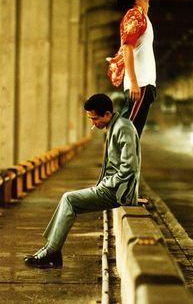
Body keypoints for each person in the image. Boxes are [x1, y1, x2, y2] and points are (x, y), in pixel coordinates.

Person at [24, 93, 141, 268]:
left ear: (107, 114)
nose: (93, 123)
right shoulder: (116, 126)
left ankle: (51, 251)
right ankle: (50, 249)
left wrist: (106, 183)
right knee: (67, 198)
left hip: (118, 192)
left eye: (95, 119)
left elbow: (129, 168)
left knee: (70, 199)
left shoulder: (122, 128)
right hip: (114, 188)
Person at [107, 0, 157, 137]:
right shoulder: (134, 15)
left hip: (144, 83)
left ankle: (124, 161)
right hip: (140, 83)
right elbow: (127, 47)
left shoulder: (142, 17)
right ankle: (115, 161)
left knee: (132, 133)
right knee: (128, 132)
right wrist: (134, 82)